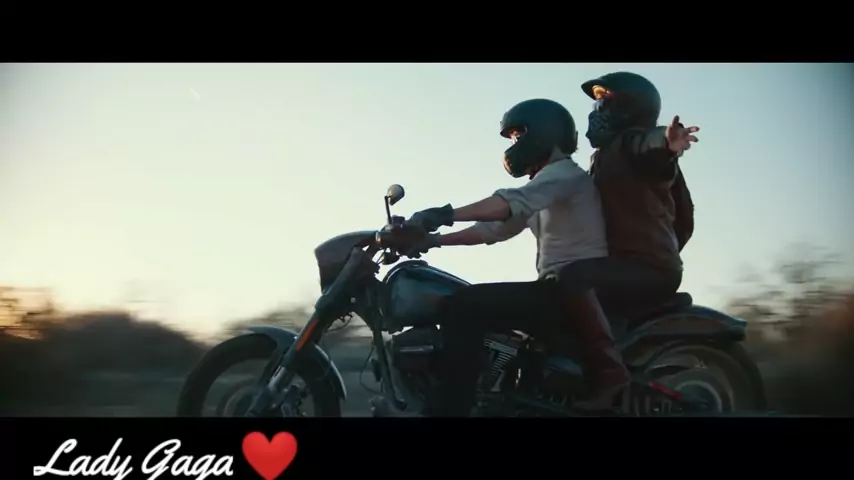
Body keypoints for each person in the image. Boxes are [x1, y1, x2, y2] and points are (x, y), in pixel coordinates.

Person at [394, 98, 631, 417]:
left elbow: (507, 203)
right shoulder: (546, 184)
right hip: (559, 288)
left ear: (542, 133)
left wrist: (444, 214)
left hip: (572, 291)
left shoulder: (564, 175)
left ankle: (451, 409)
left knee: (465, 305)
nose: (514, 145)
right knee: (470, 302)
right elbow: (493, 229)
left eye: (518, 136)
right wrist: (434, 240)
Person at [580, 71, 699, 318]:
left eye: (604, 100)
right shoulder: (603, 157)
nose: (597, 110)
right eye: (597, 102)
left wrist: (665, 142)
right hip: (622, 264)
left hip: (646, 268)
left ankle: (602, 345)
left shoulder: (630, 146)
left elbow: (647, 146)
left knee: (573, 280)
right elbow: (685, 217)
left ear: (629, 108)